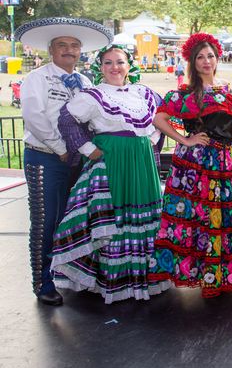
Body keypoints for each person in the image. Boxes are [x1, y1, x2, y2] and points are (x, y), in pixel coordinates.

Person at [51, 45, 169, 303]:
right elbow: (67, 119)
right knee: (115, 218)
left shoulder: (143, 93)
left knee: (143, 215)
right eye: (108, 62)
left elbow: (163, 118)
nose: (115, 67)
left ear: (129, 65)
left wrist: (151, 138)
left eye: (120, 62)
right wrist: (87, 148)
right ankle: (117, 281)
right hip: (113, 161)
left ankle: (144, 278)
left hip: (142, 162)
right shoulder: (93, 96)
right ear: (100, 67)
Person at [149, 33, 232, 296]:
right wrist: (185, 140)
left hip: (224, 161)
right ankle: (198, 273)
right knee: (197, 216)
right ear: (192, 61)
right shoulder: (185, 92)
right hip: (195, 164)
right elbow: (158, 119)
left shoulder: (226, 89)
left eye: (210, 56)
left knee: (223, 217)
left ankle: (220, 275)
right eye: (200, 57)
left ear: (217, 58)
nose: (206, 61)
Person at [16, 17, 112, 305]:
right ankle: (42, 282)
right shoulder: (37, 78)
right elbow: (34, 117)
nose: (69, 50)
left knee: (75, 219)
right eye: (62, 45)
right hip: (45, 157)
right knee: (46, 220)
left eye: (74, 45)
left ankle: (68, 274)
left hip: (78, 160)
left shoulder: (85, 81)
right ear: (51, 50)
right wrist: (60, 148)